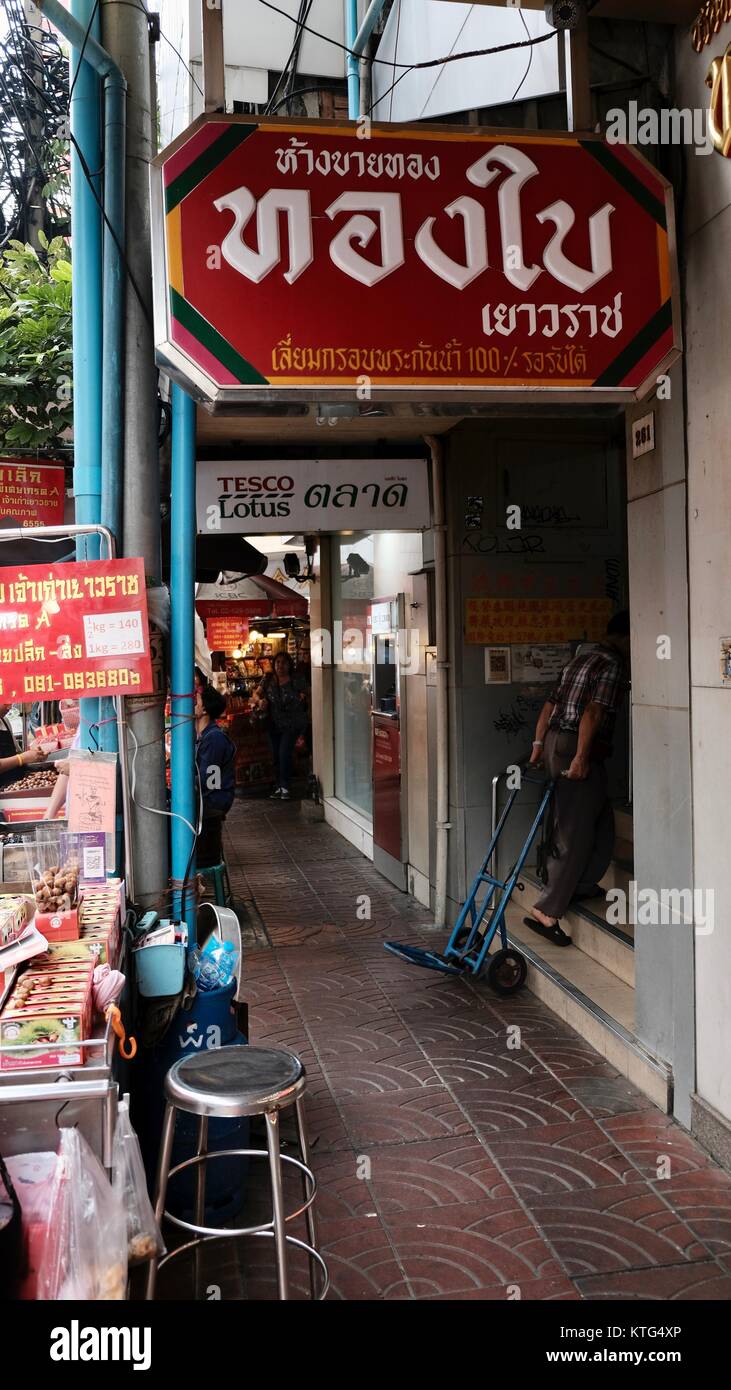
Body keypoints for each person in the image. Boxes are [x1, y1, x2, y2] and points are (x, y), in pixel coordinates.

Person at [524, 610, 631, 947]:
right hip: (577, 746)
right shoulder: (611, 665)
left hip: (557, 740)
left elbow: (549, 706)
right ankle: (548, 910)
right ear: (627, 637)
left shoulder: (580, 659)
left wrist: (539, 746)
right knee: (575, 828)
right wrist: (582, 756)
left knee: (600, 822)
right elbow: (594, 712)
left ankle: (582, 884)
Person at [252, 652, 308, 800]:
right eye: (277, 662)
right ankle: (278, 786)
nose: (280, 665)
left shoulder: (296, 679)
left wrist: (301, 700)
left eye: (283, 662)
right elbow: (256, 694)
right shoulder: (268, 678)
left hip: (292, 724)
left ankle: (285, 786)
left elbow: (306, 695)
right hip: (273, 723)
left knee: (284, 753)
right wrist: (259, 702)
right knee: (276, 755)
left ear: (289, 664)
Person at [195, 682, 236, 867]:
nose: (190, 703)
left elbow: (210, 782)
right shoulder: (204, 736)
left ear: (204, 709)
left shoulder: (214, 739)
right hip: (209, 799)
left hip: (213, 801)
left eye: (195, 700)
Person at [0, 704, 44, 788]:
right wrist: (22, 758)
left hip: (15, 785)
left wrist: (35, 755)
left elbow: (17, 752)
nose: (9, 707)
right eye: (5, 703)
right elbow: (20, 757)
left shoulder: (5, 721)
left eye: (10, 703)